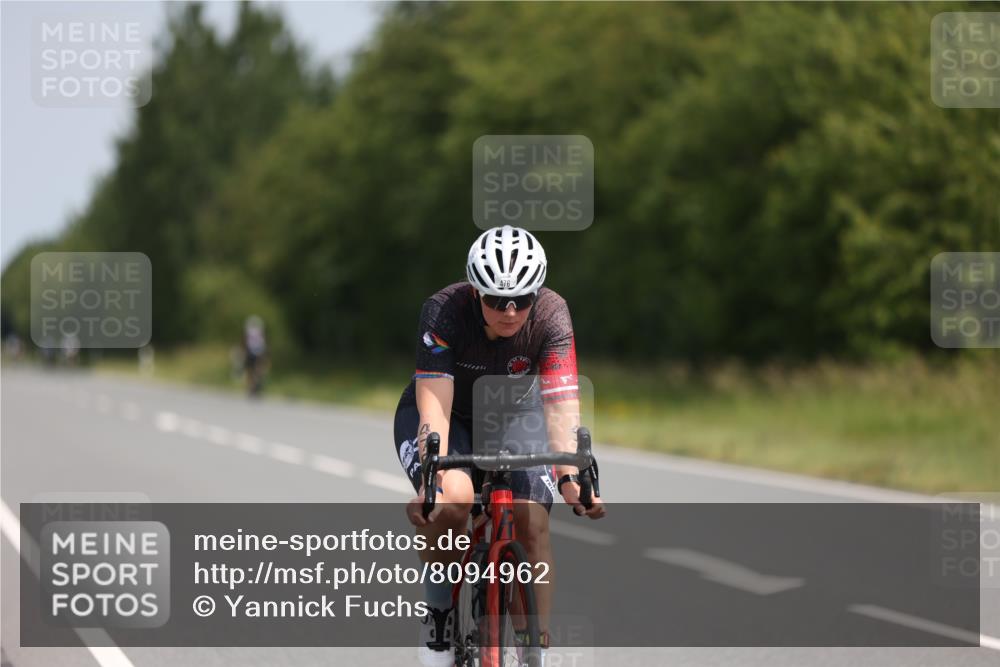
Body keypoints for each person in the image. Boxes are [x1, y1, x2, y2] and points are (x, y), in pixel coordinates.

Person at [393, 225, 606, 667]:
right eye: (495, 300)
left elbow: (560, 401)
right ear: (475, 292)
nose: (510, 312)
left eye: (521, 300)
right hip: (448, 413)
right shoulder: (444, 312)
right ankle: (438, 617)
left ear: (536, 294)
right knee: (453, 500)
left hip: (514, 414)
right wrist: (432, 478)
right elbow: (435, 407)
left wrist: (570, 476)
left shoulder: (552, 314)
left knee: (531, 520)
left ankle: (533, 650)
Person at [242, 315, 268, 397]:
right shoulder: (260, 331)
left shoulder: (248, 331)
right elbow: (263, 342)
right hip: (259, 352)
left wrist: (244, 351)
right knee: (258, 370)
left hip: (250, 352)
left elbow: (245, 342)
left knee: (250, 370)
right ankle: (256, 386)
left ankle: (251, 388)